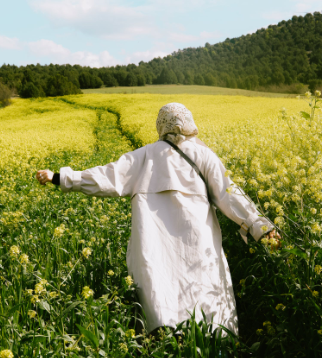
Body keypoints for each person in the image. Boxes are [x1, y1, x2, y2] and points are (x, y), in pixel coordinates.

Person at [36, 102, 280, 335]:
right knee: (206, 289)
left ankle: (165, 349)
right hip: (198, 241)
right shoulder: (203, 155)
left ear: (160, 125)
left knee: (160, 288)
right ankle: (216, 351)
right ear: (187, 123)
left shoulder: (144, 156)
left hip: (154, 241)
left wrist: (60, 177)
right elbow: (230, 195)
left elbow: (105, 177)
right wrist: (261, 227)